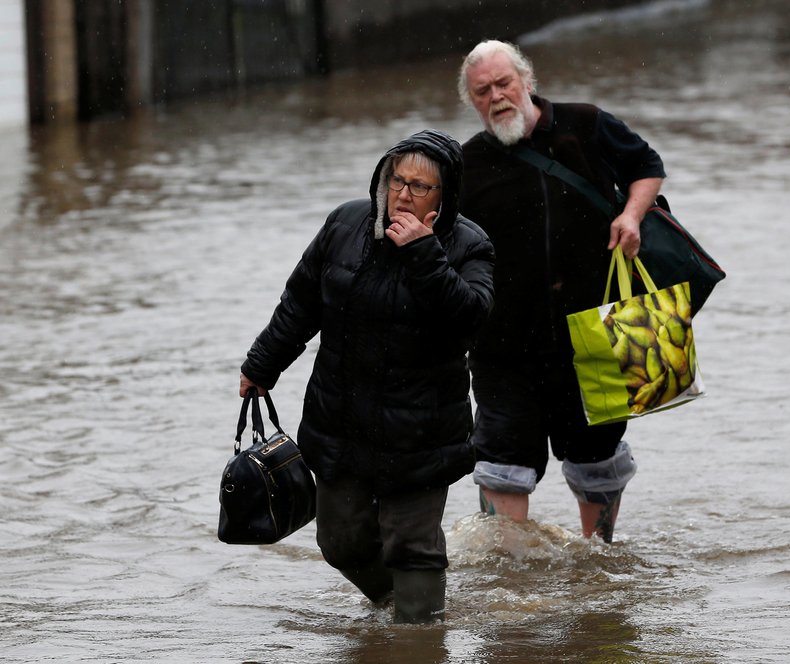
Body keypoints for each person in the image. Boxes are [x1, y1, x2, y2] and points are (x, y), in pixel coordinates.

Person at [238, 129, 494, 623]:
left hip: (422, 429)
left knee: (411, 544)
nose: (403, 193)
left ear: (445, 197)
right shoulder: (346, 224)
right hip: (342, 417)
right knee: (339, 540)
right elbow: (300, 304)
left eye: (420, 187)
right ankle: (397, 612)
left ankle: (419, 636)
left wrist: (424, 254)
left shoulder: (469, 246)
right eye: (397, 179)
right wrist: (261, 365)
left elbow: (471, 319)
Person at [456, 40, 666, 543]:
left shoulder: (586, 124)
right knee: (501, 461)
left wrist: (631, 215)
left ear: (526, 80)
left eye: (504, 83)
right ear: (473, 101)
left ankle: (601, 566)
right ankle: (509, 589)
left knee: (599, 462)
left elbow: (647, 166)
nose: (497, 96)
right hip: (501, 344)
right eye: (483, 91)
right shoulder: (465, 164)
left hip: (596, 331)